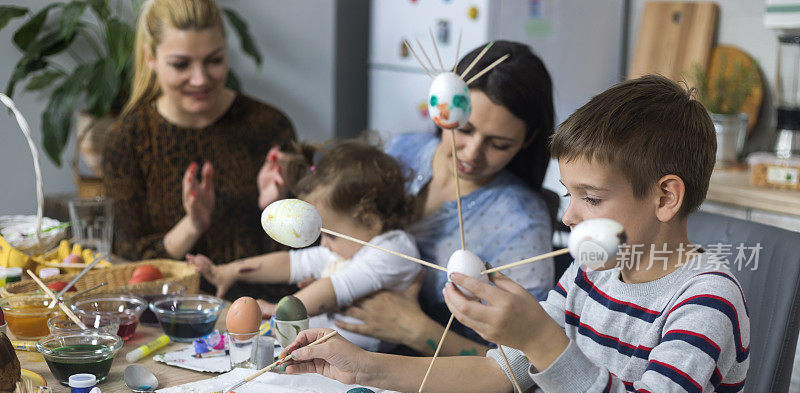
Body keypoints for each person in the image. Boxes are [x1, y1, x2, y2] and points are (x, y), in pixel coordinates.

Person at [278, 75, 750, 393]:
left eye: (591, 197)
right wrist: (366, 367)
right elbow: (499, 373)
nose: (568, 217)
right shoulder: (593, 274)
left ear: (665, 197)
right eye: (567, 195)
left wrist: (542, 339)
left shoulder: (706, 304)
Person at [327, 41, 557, 358]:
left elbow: (526, 369)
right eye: (463, 129)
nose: (472, 153)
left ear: (527, 140)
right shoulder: (401, 150)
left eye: (499, 144)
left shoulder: (521, 222)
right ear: (442, 107)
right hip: (341, 349)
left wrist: (415, 330)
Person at [103, 0, 295, 300]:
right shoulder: (129, 139)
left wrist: (277, 208)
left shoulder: (268, 126)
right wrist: (192, 226)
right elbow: (128, 262)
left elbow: (310, 257)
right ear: (150, 57)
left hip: (264, 310)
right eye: (181, 64)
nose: (200, 79)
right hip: (166, 315)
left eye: (214, 60)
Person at [188, 140, 421, 352]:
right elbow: (292, 262)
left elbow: (334, 288)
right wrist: (229, 271)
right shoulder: (346, 245)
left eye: (331, 236)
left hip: (361, 363)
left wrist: (280, 309)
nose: (325, 244)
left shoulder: (395, 250)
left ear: (369, 221)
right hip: (321, 347)